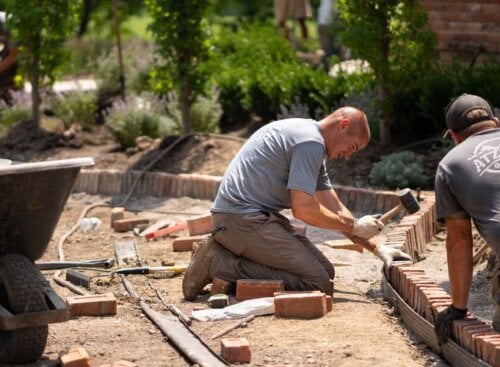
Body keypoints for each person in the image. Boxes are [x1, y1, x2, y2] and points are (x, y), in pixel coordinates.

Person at [182, 106, 411, 301]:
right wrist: (354, 226)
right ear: (343, 125)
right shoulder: (309, 143)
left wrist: (377, 249)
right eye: (352, 147)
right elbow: (303, 210)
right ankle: (219, 262)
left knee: (326, 271)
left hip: (251, 219)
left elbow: (336, 209)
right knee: (316, 281)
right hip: (240, 220)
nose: (348, 155)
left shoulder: (308, 138)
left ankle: (231, 253)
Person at [434, 93, 500, 345]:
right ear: (495, 121)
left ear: (454, 135)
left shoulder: (451, 164)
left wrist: (458, 309)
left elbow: (459, 241)